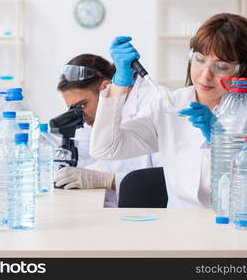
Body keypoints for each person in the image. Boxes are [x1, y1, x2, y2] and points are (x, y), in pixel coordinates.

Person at [90, 13, 247, 208]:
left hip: (232, 225)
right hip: (178, 225)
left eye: (222, 66)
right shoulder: (170, 104)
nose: (206, 75)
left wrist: (218, 138)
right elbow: (106, 148)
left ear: (241, 70)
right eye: (200, 59)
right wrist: (119, 82)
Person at [54, 53, 168, 207]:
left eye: (82, 105)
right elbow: (95, 159)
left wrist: (111, 180)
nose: (81, 115)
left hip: (152, 214)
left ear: (106, 89)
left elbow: (163, 180)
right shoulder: (94, 118)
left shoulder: (155, 101)